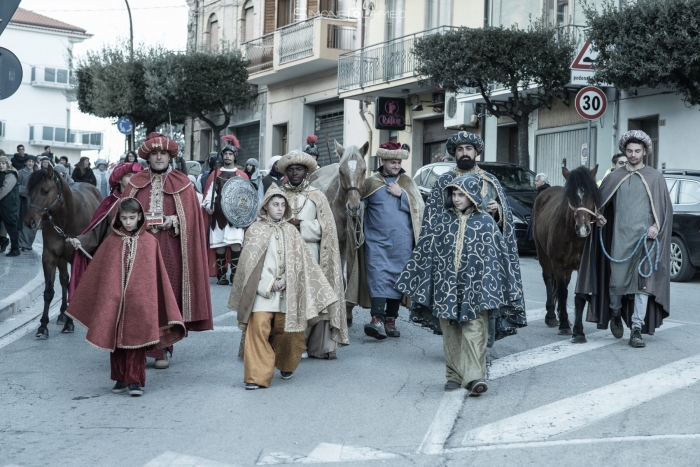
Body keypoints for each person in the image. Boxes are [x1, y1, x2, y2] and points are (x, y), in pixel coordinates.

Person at [397, 174, 526, 394]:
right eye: (454, 194)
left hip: (477, 289)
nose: (457, 199)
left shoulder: (486, 222)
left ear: (472, 196)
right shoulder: (441, 221)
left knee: (475, 329)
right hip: (446, 287)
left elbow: (498, 258)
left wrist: (494, 287)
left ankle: (474, 377)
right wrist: (420, 282)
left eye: (461, 195)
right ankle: (454, 376)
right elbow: (425, 253)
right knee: (450, 331)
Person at [403, 131, 525, 339]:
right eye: (460, 149)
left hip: (482, 256)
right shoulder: (444, 182)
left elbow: (504, 229)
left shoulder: (490, 180)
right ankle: (454, 344)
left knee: (481, 300)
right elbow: (433, 220)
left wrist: (498, 212)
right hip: (450, 255)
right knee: (450, 299)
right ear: (454, 153)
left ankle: (482, 343)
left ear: (476, 151)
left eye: (468, 148)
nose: (464, 153)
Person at [66, 198, 187, 397]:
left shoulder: (150, 243)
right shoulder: (111, 243)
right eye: (124, 218)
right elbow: (100, 273)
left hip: (140, 303)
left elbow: (156, 277)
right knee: (116, 342)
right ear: (118, 218)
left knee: (136, 341)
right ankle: (120, 378)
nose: (128, 222)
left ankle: (135, 381)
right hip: (115, 301)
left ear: (140, 217)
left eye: (132, 218)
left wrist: (146, 299)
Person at [228, 188, 339, 389]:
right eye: (275, 205)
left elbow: (303, 262)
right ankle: (256, 377)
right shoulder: (255, 230)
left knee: (290, 331)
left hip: (288, 291)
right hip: (262, 293)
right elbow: (249, 268)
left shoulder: (292, 231)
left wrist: (288, 279)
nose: (279, 209)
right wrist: (269, 284)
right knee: (258, 328)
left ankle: (286, 362)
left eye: (282, 205)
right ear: (266, 206)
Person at [123, 132, 213, 368]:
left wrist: (172, 220)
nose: (159, 157)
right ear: (148, 157)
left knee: (167, 297)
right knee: (142, 298)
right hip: (140, 252)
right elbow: (121, 217)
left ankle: (162, 347)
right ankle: (141, 345)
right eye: (154, 153)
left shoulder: (183, 183)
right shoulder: (134, 184)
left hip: (171, 251)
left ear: (170, 156)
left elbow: (192, 220)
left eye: (163, 153)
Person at [576, 130, 672, 348]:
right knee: (616, 283)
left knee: (643, 285)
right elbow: (600, 207)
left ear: (645, 152)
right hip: (619, 239)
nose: (633, 155)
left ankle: (636, 328)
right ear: (624, 152)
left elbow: (664, 209)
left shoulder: (655, 178)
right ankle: (616, 313)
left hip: (646, 240)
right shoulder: (613, 177)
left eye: (637, 151)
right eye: (629, 151)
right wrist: (599, 217)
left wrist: (656, 226)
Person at [277, 150, 348, 358]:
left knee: (310, 299)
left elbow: (327, 228)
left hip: (312, 254)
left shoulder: (317, 196)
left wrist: (303, 226)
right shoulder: (278, 194)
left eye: (298, 169)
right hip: (284, 255)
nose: (295, 173)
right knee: (288, 300)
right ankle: (287, 344)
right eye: (291, 170)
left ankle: (310, 343)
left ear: (306, 172)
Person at [354, 142, 425, 340]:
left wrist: (402, 195)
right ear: (382, 161)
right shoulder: (370, 183)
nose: (396, 165)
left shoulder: (407, 183)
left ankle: (391, 320)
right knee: (377, 277)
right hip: (376, 242)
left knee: (397, 280)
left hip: (402, 242)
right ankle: (377, 319)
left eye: (398, 162)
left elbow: (420, 208)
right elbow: (357, 206)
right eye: (392, 162)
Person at [68, 162, 143, 301]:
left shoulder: (145, 201)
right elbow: (97, 230)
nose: (133, 179)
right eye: (128, 175)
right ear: (119, 179)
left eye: (136, 175)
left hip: (140, 259)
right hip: (112, 257)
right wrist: (81, 240)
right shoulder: (110, 202)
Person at [202, 136, 250, 285]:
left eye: (230, 154)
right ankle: (221, 275)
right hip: (218, 215)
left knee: (236, 244)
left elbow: (248, 197)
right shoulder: (215, 174)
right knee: (220, 246)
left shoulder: (242, 176)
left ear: (235, 156)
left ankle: (234, 274)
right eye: (225, 154)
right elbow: (209, 195)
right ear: (222, 156)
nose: (228, 157)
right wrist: (208, 207)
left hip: (236, 216)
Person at [0, 155, 21, 257]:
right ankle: (3, 241)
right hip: (2, 205)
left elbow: (5, 189)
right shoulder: (1, 174)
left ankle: (15, 249)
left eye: (3, 163)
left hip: (9, 206)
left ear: (7, 164)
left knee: (11, 228)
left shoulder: (11, 174)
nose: (1, 165)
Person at [17, 158, 37, 251]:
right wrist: (27, 190)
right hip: (22, 201)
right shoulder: (20, 172)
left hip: (33, 202)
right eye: (29, 161)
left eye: (32, 162)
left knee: (32, 222)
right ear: (25, 162)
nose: (30, 163)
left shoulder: (35, 173)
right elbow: (16, 186)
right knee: (23, 221)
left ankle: (29, 244)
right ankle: (23, 244)